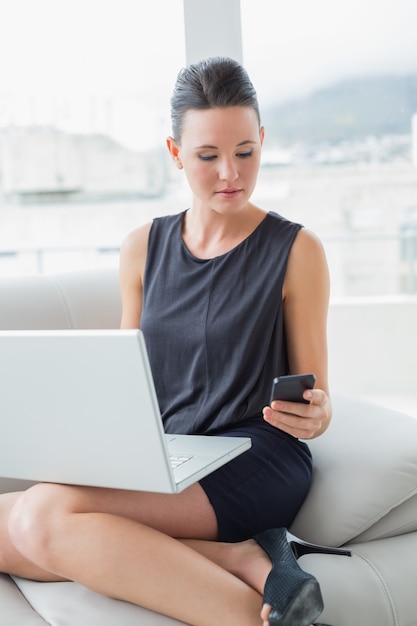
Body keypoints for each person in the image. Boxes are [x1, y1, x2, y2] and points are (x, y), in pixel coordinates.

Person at [0, 57, 336, 626]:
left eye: (245, 152)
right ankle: (250, 557)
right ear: (175, 152)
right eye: (207, 156)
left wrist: (317, 411)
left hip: (256, 456)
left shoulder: (297, 250)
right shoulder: (142, 247)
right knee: (28, 520)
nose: (230, 173)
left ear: (262, 142)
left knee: (42, 516)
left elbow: (317, 401)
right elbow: (127, 380)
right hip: (168, 455)